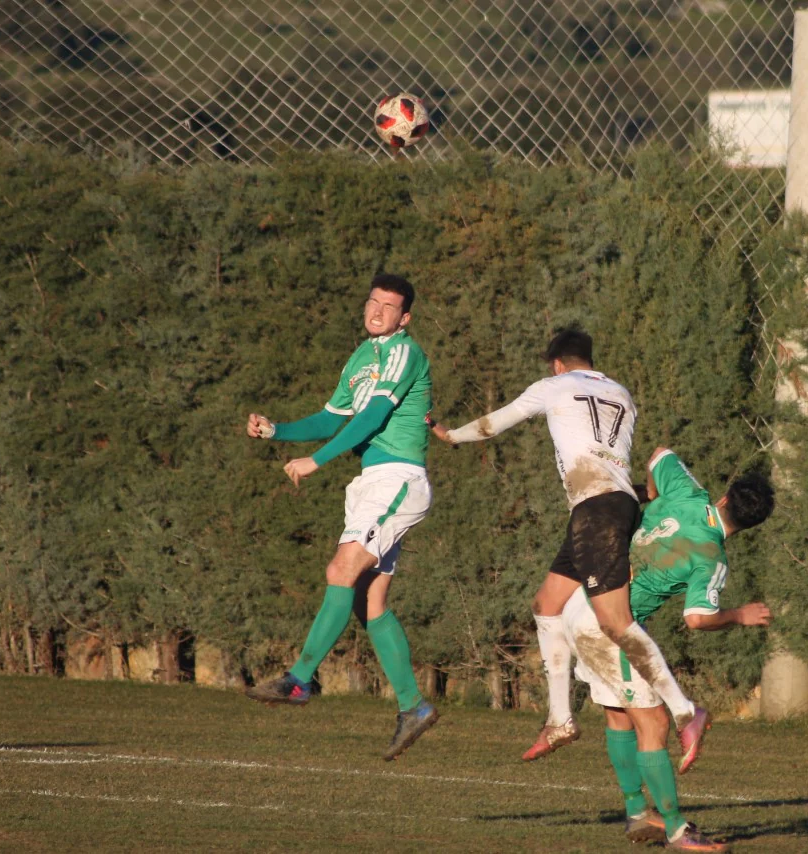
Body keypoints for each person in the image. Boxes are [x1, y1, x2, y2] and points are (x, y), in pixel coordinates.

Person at [429, 329, 710, 768]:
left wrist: (450, 436)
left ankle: (685, 711)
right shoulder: (621, 392)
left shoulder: (553, 386)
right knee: (547, 604)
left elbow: (493, 423)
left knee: (616, 623)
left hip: (596, 511)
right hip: (610, 505)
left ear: (556, 363)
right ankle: (560, 717)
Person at [243, 274, 439, 762]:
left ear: (405, 317)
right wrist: (278, 431)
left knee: (340, 570)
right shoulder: (361, 357)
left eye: (388, 306)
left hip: (397, 479)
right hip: (373, 485)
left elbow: (371, 418)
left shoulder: (402, 352)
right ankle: (413, 707)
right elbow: (334, 417)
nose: (376, 310)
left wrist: (316, 461)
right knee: (368, 601)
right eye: (372, 301)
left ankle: (299, 680)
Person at [563, 446, 775, 852]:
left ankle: (637, 811)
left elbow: (661, 453)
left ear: (725, 497)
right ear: (751, 526)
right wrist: (739, 615)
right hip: (613, 624)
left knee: (620, 716)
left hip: (583, 600)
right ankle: (678, 830)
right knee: (655, 725)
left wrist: (656, 498)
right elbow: (697, 618)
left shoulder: (689, 495)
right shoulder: (712, 556)